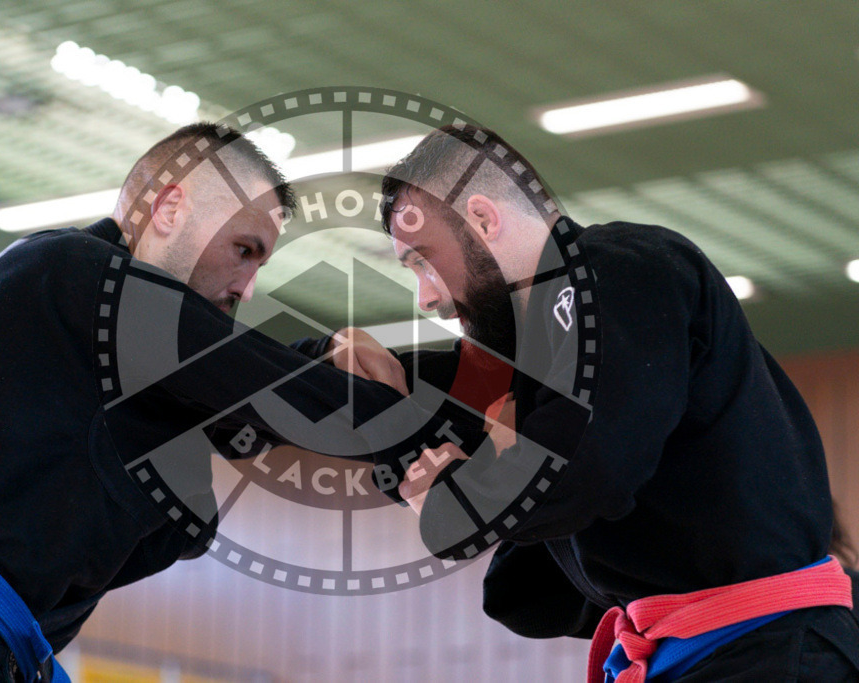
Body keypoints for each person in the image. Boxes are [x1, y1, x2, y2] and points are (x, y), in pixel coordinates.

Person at [0, 122, 466, 682]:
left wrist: (331, 352)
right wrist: (426, 432)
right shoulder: (75, 270)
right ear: (169, 208)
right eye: (242, 250)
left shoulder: (74, 327)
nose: (247, 285)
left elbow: (227, 380)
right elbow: (250, 378)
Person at [311, 125, 859, 680]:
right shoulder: (538, 348)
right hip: (713, 649)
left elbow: (589, 463)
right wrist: (365, 381)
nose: (427, 296)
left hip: (767, 648)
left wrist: (467, 499)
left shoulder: (618, 269)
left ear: (482, 218)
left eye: (424, 261)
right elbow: (526, 588)